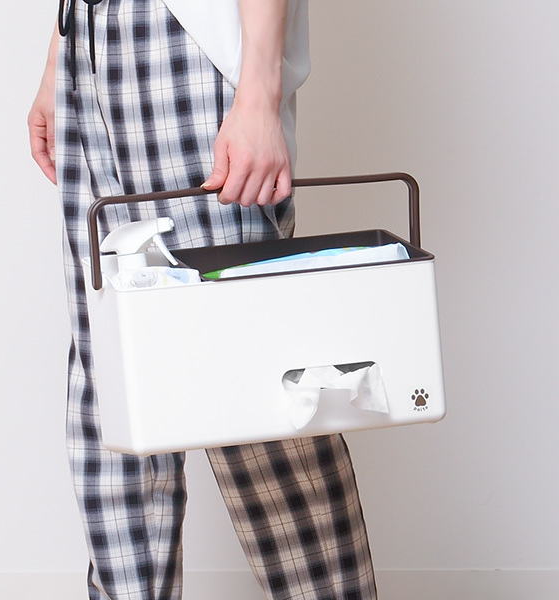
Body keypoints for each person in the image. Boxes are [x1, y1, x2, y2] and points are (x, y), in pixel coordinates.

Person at [28, 1, 378, 598]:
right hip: (88, 42)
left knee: (255, 382)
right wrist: (61, 51)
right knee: (113, 379)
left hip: (180, 40)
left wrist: (260, 94)